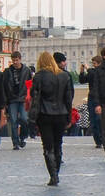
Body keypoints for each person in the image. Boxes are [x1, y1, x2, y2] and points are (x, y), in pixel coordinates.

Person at [30, 50, 73, 185]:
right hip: (61, 113)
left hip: (45, 115)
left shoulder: (39, 76)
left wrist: (32, 117)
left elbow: (34, 96)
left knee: (48, 147)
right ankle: (57, 172)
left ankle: (53, 175)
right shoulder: (64, 76)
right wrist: (68, 115)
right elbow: (68, 98)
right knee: (58, 144)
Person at [2, 51, 29, 150]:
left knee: (24, 119)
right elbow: (4, 86)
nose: (15, 62)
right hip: (12, 99)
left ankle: (22, 138)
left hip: (23, 98)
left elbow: (30, 84)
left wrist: (29, 97)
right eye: (13, 60)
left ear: (20, 59)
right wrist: (5, 101)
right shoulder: (7, 71)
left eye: (16, 60)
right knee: (13, 121)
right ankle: (15, 142)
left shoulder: (26, 70)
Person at [79, 56, 104, 148]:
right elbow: (82, 81)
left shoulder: (101, 71)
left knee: (99, 119)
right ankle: (98, 141)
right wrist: (82, 72)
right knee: (93, 120)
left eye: (94, 63)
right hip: (92, 97)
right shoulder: (92, 72)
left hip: (101, 97)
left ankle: (103, 138)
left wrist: (88, 68)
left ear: (99, 63)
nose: (93, 66)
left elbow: (95, 73)